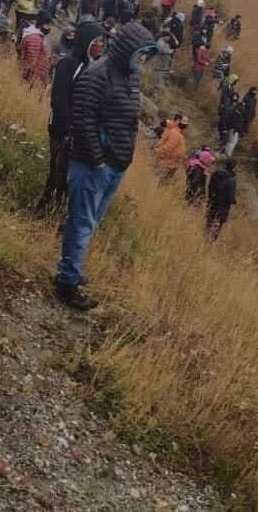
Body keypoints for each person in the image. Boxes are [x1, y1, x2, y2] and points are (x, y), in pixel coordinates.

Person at [55, 22, 157, 310]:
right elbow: (82, 118)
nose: (143, 60)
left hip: (115, 165)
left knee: (90, 222)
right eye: (141, 53)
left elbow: (128, 121)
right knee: (82, 222)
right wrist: (98, 160)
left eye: (147, 55)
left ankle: (72, 268)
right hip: (92, 166)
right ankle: (67, 282)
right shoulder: (96, 75)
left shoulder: (130, 78)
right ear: (127, 50)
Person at [36, 21, 103, 213]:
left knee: (66, 175)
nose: (100, 46)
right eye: (96, 41)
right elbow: (59, 99)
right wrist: (67, 129)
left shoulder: (89, 65)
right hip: (61, 129)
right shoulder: (69, 63)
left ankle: (54, 211)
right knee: (57, 171)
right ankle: (45, 210)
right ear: (87, 41)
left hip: (75, 131)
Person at [18, 10, 52, 87]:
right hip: (33, 80)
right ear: (41, 23)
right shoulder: (35, 38)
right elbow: (31, 61)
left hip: (35, 78)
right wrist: (34, 81)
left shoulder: (38, 35)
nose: (49, 27)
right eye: (48, 24)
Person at [155, 114, 189, 182]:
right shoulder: (176, 133)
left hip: (170, 163)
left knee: (161, 183)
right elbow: (168, 147)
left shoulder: (176, 132)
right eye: (185, 124)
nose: (185, 126)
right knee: (160, 183)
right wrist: (157, 152)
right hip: (168, 164)